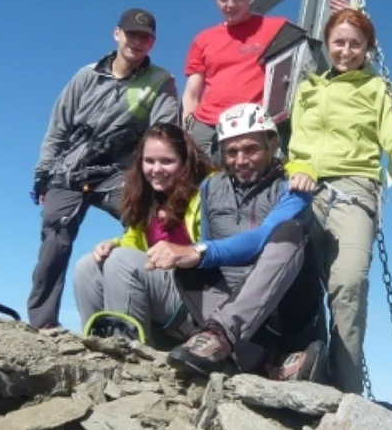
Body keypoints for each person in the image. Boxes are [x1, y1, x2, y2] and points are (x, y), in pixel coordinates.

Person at [80, 103, 328, 382]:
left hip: (282, 309)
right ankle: (260, 360)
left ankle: (227, 339)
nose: (241, 160)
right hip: (230, 306)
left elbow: (260, 239)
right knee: (187, 269)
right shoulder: (212, 187)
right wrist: (120, 244)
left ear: (272, 144)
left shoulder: (294, 187)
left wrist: (197, 251)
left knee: (289, 232)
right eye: (231, 152)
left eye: (251, 149)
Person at [284, 7, 392, 395]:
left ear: (368, 47)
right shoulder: (309, 89)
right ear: (327, 43)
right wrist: (298, 168)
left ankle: (346, 392)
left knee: (349, 283)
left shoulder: (379, 89)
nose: (346, 51)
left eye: (355, 44)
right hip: (305, 189)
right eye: (338, 42)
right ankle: (299, 372)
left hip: (355, 189)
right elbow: (297, 141)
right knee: (292, 278)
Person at [27, 8, 181, 330]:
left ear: (153, 43)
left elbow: (163, 133)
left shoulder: (161, 81)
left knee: (150, 218)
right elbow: (58, 127)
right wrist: (43, 174)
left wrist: (161, 185)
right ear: (117, 34)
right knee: (55, 238)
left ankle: (161, 310)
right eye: (131, 34)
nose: (137, 42)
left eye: (146, 37)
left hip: (117, 173)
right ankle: (43, 323)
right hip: (69, 170)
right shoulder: (86, 76)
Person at [180, 0, 354, 159]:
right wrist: (187, 128)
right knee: (193, 175)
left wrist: (348, 18)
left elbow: (318, 53)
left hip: (250, 124)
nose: (230, 4)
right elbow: (192, 92)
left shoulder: (277, 27)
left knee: (243, 174)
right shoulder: (203, 39)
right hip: (207, 126)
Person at [72, 122, 215, 346]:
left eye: (167, 161)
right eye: (149, 161)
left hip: (198, 297)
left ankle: (128, 350)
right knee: (88, 266)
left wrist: (188, 251)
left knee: (121, 262)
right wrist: (114, 244)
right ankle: (96, 346)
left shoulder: (210, 190)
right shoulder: (146, 198)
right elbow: (133, 244)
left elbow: (223, 245)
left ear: (185, 161)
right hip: (162, 292)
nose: (156, 169)